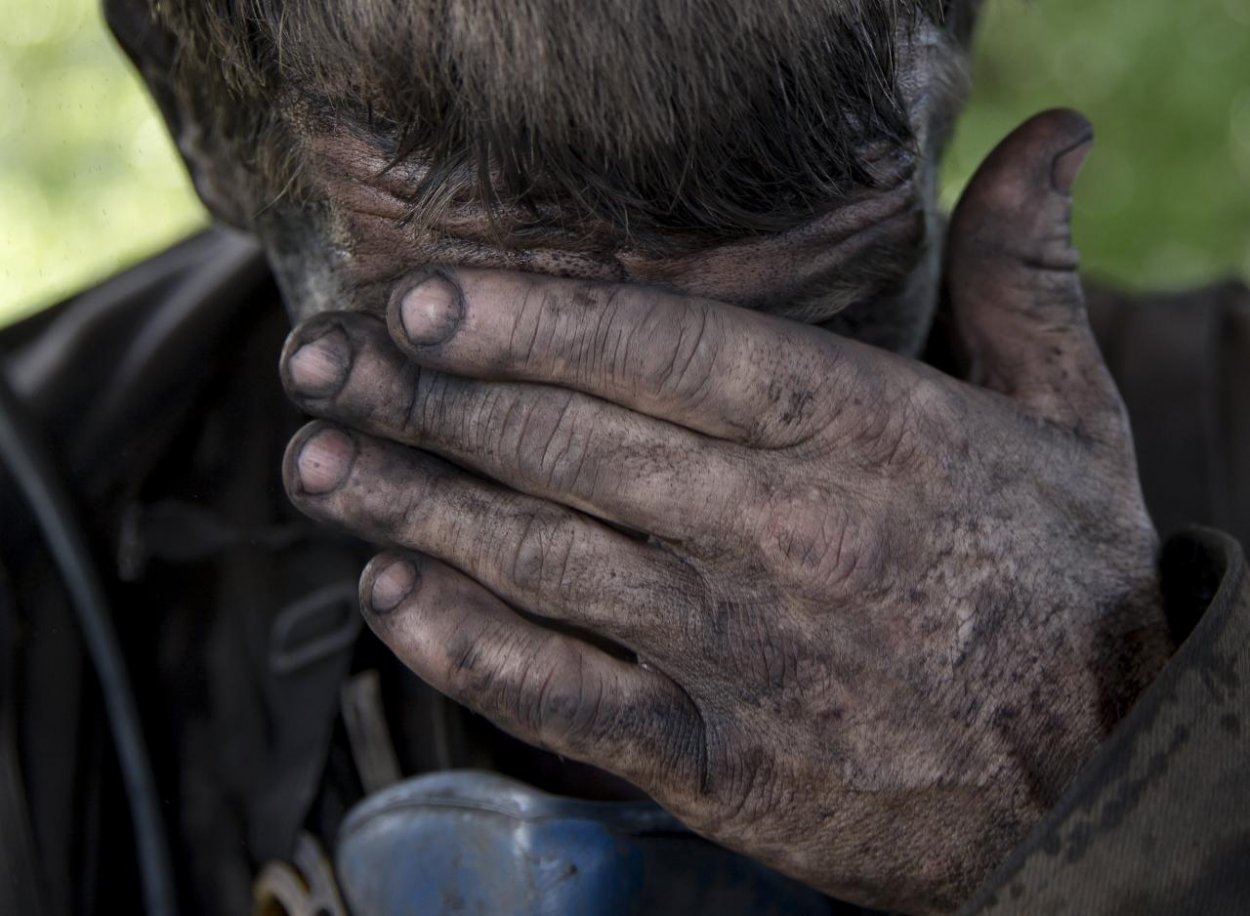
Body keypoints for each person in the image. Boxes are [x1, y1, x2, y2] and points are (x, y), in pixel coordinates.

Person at [0, 0, 1246, 914]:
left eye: (807, 353)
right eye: (507, 383)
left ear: (952, 41)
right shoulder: (34, 583)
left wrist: (1129, 796)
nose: (688, 536)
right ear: (190, 107)